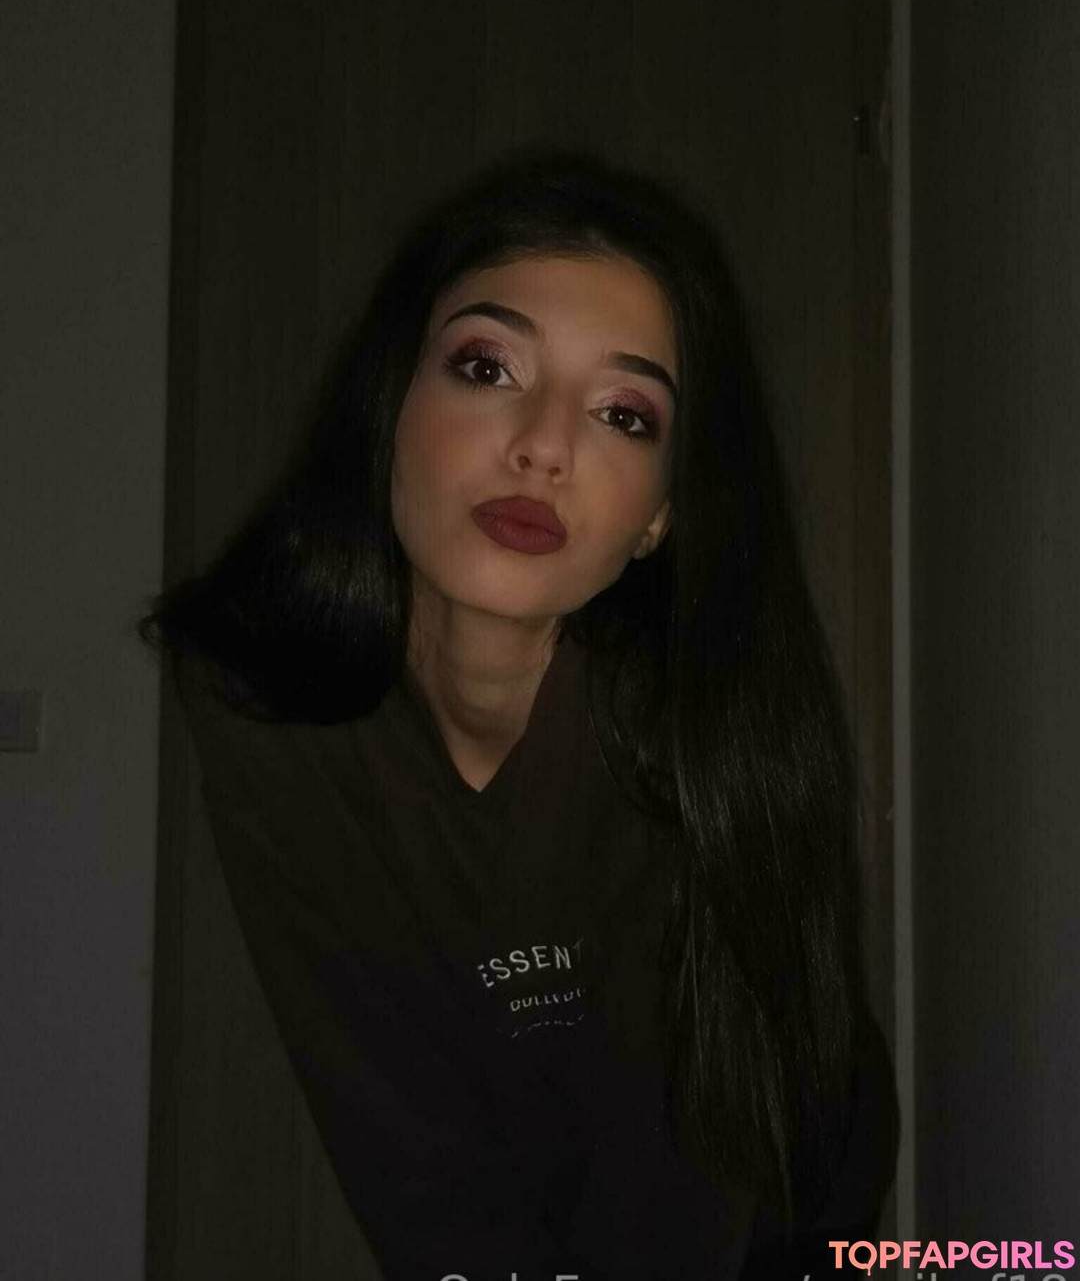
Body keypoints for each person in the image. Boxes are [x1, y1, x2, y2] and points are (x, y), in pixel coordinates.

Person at [139, 151, 899, 1278]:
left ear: (659, 517)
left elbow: (688, 1191)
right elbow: (396, 1129)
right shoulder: (267, 703)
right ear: (391, 405)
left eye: (624, 415)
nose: (544, 444)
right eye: (487, 366)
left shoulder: (687, 743)